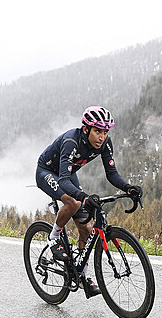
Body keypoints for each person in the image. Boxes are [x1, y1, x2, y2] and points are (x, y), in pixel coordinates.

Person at [36, 106, 142, 297]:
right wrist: (84, 197)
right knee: (74, 202)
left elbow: (112, 174)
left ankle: (83, 277)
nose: (102, 137)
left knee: (86, 228)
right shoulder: (71, 142)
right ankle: (53, 237)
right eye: (97, 131)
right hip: (48, 172)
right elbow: (63, 181)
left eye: (105, 131)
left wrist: (128, 187)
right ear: (86, 129)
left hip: (68, 175)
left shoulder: (104, 143)